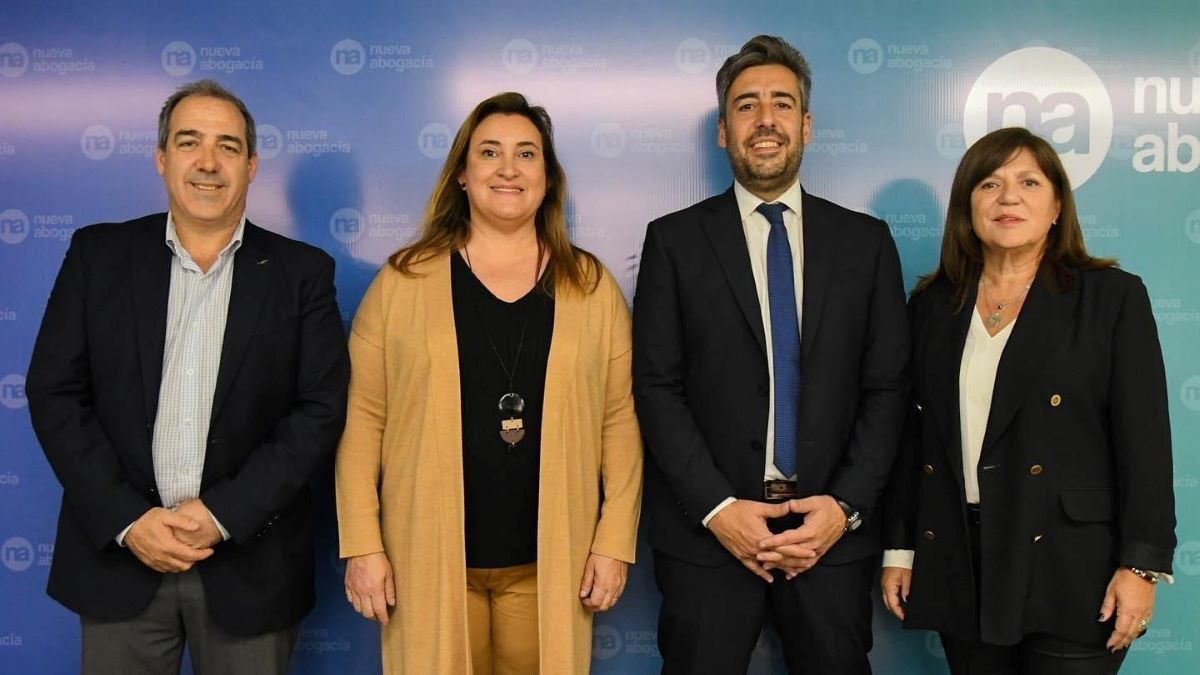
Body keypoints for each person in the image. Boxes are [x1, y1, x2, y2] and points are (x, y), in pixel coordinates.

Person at [25, 79, 350, 675]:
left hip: (251, 568)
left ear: (251, 165)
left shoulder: (303, 273)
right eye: (189, 141)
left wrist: (223, 515)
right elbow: (55, 393)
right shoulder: (98, 256)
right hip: (120, 563)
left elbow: (319, 410)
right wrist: (129, 520)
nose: (207, 162)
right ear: (161, 156)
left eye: (228, 146)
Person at [335, 91, 642, 674]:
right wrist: (363, 544)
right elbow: (364, 420)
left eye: (526, 153)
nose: (508, 168)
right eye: (489, 152)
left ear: (548, 178)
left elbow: (619, 422)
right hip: (427, 563)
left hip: (550, 566)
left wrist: (612, 541)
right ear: (461, 173)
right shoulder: (402, 283)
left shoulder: (591, 287)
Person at [633, 35, 909, 674]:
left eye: (782, 104)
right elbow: (656, 387)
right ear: (723, 131)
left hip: (828, 541)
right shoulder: (674, 242)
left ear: (806, 126)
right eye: (746, 106)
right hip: (708, 540)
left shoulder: (865, 243)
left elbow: (889, 389)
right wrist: (719, 510)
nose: (765, 120)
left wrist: (842, 509)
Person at [880, 126, 1176, 674]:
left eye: (1029, 182)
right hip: (960, 555)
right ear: (968, 207)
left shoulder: (1111, 298)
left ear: (1058, 205)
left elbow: (1146, 443)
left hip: (1074, 563)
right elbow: (910, 440)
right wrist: (900, 549)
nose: (1008, 198)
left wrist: (1141, 566)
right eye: (989, 184)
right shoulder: (932, 306)